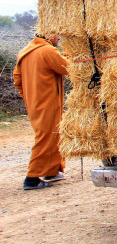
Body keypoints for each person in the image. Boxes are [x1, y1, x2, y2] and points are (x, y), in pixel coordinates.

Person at [13, 34, 69, 190]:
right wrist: (71, 53)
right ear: (48, 34)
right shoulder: (47, 51)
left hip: (34, 103)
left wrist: (28, 97)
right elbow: (68, 68)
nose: (58, 38)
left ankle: (52, 170)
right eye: (56, 35)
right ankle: (32, 178)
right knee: (46, 137)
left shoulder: (25, 51)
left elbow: (17, 79)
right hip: (47, 103)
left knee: (53, 134)